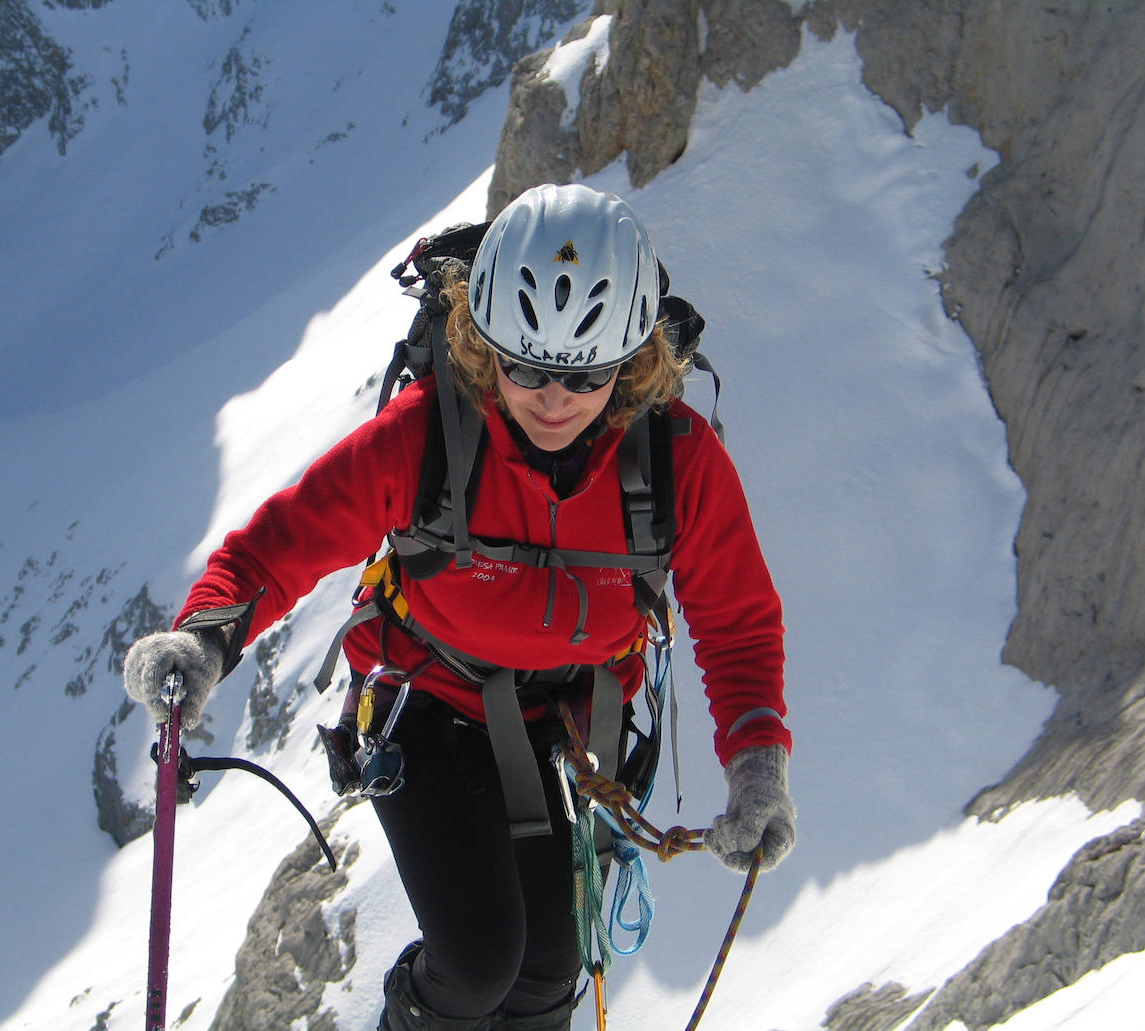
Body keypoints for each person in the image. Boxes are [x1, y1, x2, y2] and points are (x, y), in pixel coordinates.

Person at [123, 183, 794, 1031]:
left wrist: (757, 763)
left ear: (631, 361)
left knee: (550, 973)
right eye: (524, 368)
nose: (552, 401)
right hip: (423, 696)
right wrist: (206, 637)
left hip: (558, 721)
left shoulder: (676, 463)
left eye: (583, 376)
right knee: (479, 961)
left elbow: (736, 621)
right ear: (483, 347)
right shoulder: (430, 436)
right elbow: (279, 544)